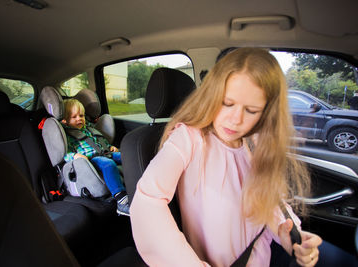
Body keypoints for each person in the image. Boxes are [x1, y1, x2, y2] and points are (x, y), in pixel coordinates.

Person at [130, 48, 323, 266]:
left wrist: (285, 232)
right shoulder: (190, 138)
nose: (235, 119)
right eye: (227, 103)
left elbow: (268, 199)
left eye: (251, 110)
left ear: (266, 113)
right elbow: (148, 200)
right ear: (212, 94)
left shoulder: (254, 142)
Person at [62, 98, 130, 216]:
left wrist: (110, 147)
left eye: (81, 115)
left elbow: (99, 142)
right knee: (108, 164)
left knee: (128, 156)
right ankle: (121, 200)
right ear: (65, 121)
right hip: (90, 159)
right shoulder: (67, 135)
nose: (79, 119)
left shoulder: (88, 129)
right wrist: (74, 156)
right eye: (74, 117)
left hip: (105, 152)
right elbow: (64, 154)